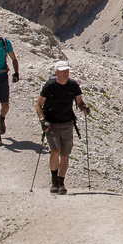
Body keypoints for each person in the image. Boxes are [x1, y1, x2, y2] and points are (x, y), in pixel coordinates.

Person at [37, 61, 89, 194]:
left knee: (65, 154)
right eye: (62, 71)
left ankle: (61, 183)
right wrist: (43, 120)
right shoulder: (49, 86)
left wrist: (84, 107)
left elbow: (79, 102)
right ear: (56, 73)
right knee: (55, 151)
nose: (65, 73)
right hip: (52, 124)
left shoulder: (73, 85)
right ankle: (54, 181)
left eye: (67, 71)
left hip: (67, 123)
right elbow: (38, 105)